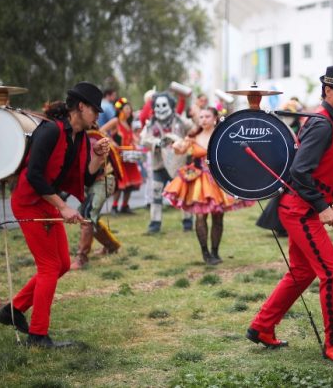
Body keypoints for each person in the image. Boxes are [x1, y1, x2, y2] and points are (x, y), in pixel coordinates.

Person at [247, 64, 333, 367]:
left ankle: (262, 326)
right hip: (300, 211)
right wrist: (321, 206)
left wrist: (323, 202)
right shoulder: (324, 124)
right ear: (328, 91)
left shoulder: (329, 120)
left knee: (301, 272)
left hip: (300, 207)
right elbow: (299, 171)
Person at [0, 82, 110, 348]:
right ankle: (38, 335)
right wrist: (63, 206)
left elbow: (84, 176)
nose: (97, 115)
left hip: (47, 203)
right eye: (95, 109)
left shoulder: (81, 137)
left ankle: (13, 310)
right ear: (80, 107)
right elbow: (34, 175)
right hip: (27, 202)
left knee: (62, 264)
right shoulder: (49, 131)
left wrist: (96, 156)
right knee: (48, 266)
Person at [163, 107, 253, 265]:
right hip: (199, 179)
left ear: (215, 118)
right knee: (200, 215)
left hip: (218, 178)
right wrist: (176, 146)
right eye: (201, 116)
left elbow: (233, 153)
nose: (203, 119)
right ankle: (205, 253)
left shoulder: (222, 135)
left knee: (218, 217)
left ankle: (215, 252)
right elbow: (180, 151)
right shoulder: (192, 136)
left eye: (207, 116)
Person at [140, 92, 193, 233]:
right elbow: (143, 139)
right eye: (157, 105)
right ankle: (155, 223)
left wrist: (182, 141)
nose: (161, 108)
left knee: (183, 193)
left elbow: (193, 131)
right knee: (156, 192)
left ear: (171, 105)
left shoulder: (180, 121)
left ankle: (188, 222)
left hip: (179, 164)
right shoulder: (151, 124)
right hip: (159, 165)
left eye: (164, 105)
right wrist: (157, 142)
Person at [70, 129, 123, 270]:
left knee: (87, 216)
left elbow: (94, 166)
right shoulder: (77, 137)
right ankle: (111, 246)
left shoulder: (92, 138)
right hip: (93, 182)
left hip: (102, 181)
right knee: (90, 216)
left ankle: (82, 257)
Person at [101, 98, 143, 214]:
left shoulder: (128, 123)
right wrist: (111, 141)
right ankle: (114, 207)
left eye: (130, 108)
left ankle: (125, 206)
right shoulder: (116, 121)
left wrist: (137, 143)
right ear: (120, 110)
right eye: (127, 108)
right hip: (119, 158)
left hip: (129, 157)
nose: (129, 111)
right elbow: (102, 130)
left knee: (131, 184)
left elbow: (132, 138)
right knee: (120, 183)